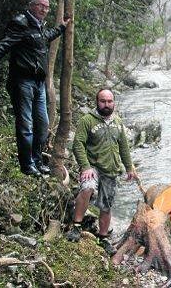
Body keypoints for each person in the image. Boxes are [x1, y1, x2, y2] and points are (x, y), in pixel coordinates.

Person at [0, 0, 71, 176]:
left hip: (38, 83)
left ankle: (37, 161)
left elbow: (45, 37)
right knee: (26, 124)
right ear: (31, 6)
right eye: (41, 6)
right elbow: (5, 44)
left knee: (42, 124)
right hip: (23, 82)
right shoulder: (21, 23)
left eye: (47, 7)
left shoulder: (39, 26)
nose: (44, 10)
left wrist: (61, 27)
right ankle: (27, 165)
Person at [67, 88, 138, 255]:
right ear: (97, 102)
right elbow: (78, 144)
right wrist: (85, 166)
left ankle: (103, 237)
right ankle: (76, 226)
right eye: (103, 101)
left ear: (114, 102)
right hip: (92, 167)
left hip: (111, 169)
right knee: (87, 188)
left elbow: (124, 147)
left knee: (106, 205)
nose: (107, 104)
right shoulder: (87, 120)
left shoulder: (118, 122)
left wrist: (129, 167)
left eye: (110, 101)